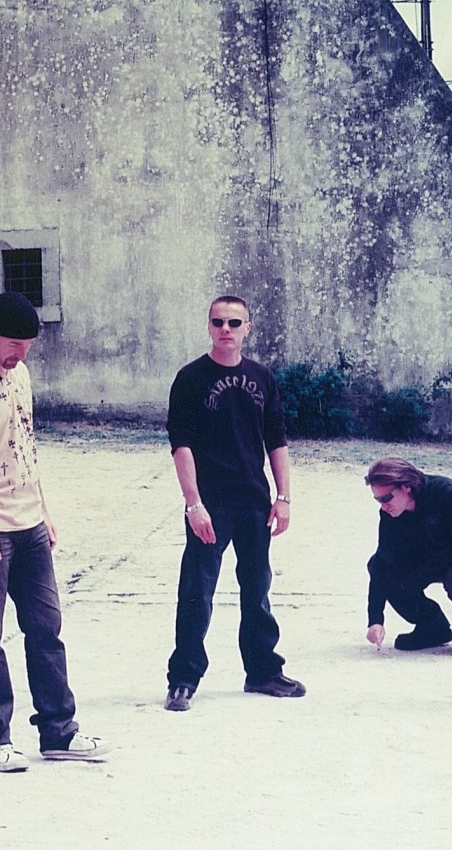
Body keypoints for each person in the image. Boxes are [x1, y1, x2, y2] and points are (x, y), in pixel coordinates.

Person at [0, 291, 106, 771]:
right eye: (13, 345)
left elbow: (24, 445)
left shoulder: (20, 373)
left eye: (27, 347)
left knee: (47, 627)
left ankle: (59, 731)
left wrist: (43, 508)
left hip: (28, 523)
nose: (20, 355)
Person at [164, 295, 305, 712]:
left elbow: (276, 438)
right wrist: (194, 504)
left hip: (254, 503)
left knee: (257, 589)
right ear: (208, 327)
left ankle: (262, 671)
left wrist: (283, 498)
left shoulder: (262, 377)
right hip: (211, 505)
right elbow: (181, 445)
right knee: (196, 591)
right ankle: (183, 679)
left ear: (248, 328)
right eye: (218, 322)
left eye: (234, 322)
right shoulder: (190, 379)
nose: (226, 329)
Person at [363, 458, 452, 657]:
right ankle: (432, 627)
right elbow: (382, 563)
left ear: (407, 488)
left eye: (386, 498)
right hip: (435, 556)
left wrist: (416, 577)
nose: (383, 505)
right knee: (379, 567)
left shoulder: (447, 492)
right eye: (378, 500)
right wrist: (375, 620)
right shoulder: (390, 513)